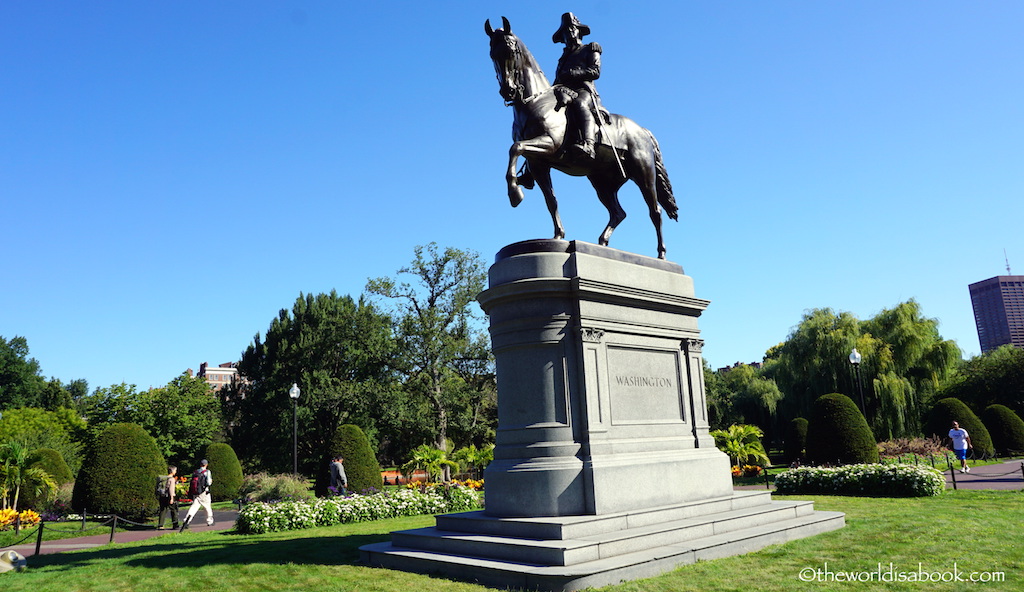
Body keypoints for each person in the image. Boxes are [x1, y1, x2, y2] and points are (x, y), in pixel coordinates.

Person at [551, 12, 608, 161]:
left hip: (584, 91)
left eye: (572, 28)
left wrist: (573, 73)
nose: (569, 32)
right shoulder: (562, 59)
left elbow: (595, 72)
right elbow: (558, 79)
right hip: (564, 91)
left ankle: (588, 145)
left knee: (579, 103)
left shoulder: (590, 48)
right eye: (566, 31)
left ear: (579, 31)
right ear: (562, 37)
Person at [180, 459, 214, 531]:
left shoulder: (196, 472)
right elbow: (208, 482)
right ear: (206, 465)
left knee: (194, 507)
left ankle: (187, 521)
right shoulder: (207, 472)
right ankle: (209, 521)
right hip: (204, 492)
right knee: (207, 506)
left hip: (196, 492)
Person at [156, 464, 179, 530]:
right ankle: (175, 524)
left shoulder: (163, 478)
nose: (176, 472)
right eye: (175, 470)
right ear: (172, 471)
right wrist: (172, 498)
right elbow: (171, 489)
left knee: (163, 510)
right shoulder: (172, 479)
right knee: (173, 510)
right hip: (169, 496)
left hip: (162, 496)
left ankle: (160, 525)